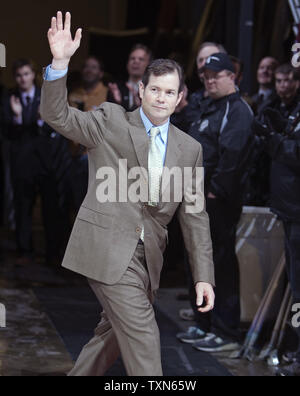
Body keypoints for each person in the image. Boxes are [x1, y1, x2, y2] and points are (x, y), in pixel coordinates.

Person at [41, 11, 215, 377]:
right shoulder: (110, 120)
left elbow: (196, 215)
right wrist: (59, 64)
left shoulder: (190, 149)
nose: (161, 98)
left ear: (181, 97)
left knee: (112, 335)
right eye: (155, 89)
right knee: (143, 335)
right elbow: (59, 117)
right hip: (106, 247)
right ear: (141, 89)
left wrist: (203, 275)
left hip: (147, 259)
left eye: (170, 92)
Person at [177, 53, 254, 352]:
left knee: (220, 265)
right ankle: (203, 324)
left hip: (217, 203)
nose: (209, 80)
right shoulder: (209, 107)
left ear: (231, 76)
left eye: (215, 75)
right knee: (197, 263)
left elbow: (233, 157)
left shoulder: (237, 110)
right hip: (195, 200)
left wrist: (216, 192)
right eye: (205, 76)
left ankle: (226, 331)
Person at [1, 58, 70, 266]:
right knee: (23, 209)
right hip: (22, 163)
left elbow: (56, 128)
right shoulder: (8, 98)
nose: (23, 79)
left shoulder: (45, 96)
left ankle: (52, 253)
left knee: (51, 210)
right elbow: (6, 131)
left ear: (33, 75)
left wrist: (41, 119)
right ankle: (25, 251)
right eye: (19, 75)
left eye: (27, 74)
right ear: (15, 77)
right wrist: (18, 117)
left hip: (46, 163)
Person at [67, 56, 108, 215]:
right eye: (86, 66)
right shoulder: (73, 94)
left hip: (97, 159)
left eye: (94, 67)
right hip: (74, 157)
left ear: (100, 73)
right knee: (77, 205)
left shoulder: (107, 94)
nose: (89, 70)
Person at [171, 42, 227, 132]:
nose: (204, 64)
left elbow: (206, 131)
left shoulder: (228, 98)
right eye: (200, 60)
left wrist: (184, 106)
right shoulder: (195, 96)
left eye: (209, 58)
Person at [107, 44, 152, 111]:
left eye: (141, 59)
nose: (136, 61)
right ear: (127, 64)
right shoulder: (116, 88)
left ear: (149, 64)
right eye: (132, 58)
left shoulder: (152, 89)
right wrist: (118, 103)